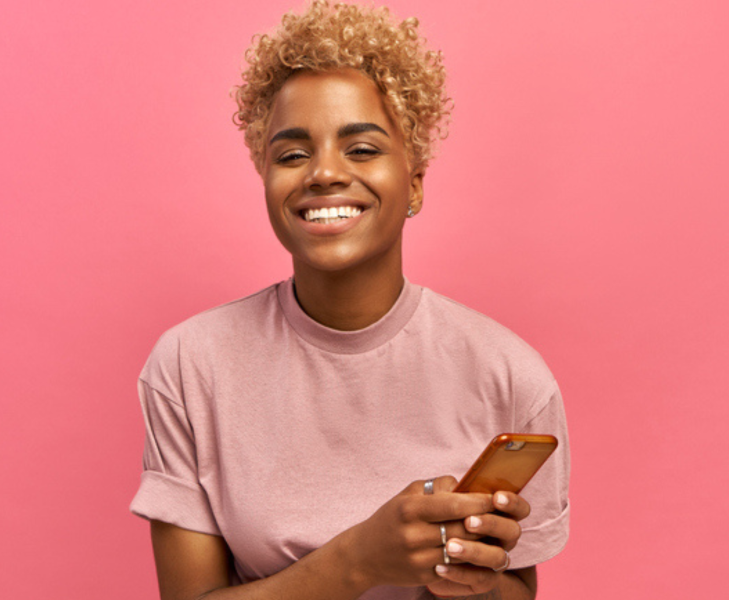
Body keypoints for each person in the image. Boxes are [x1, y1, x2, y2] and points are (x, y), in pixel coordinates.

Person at [129, 2, 569, 599]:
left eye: (361, 149)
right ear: (266, 179)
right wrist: (360, 561)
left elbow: (518, 592)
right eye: (292, 155)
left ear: (413, 184)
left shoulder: (512, 377)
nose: (324, 174)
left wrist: (463, 574)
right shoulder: (189, 366)